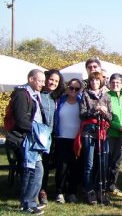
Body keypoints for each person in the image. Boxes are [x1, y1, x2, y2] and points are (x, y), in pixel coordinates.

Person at [12, 69, 51, 214]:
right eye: (39, 80)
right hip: (27, 139)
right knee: (31, 171)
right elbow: (21, 120)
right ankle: (27, 203)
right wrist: (39, 130)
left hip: (34, 140)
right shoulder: (22, 95)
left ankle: (29, 201)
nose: (42, 83)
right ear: (31, 79)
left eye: (43, 81)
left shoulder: (35, 95)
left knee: (37, 170)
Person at [79, 71, 112, 205]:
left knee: (102, 163)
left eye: (97, 81)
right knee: (89, 163)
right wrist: (94, 110)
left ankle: (101, 190)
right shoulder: (85, 95)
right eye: (92, 81)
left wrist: (104, 112)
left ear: (101, 82)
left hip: (102, 132)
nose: (95, 83)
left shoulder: (106, 96)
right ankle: (89, 191)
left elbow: (111, 116)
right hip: (89, 132)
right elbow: (82, 114)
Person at [54, 78, 83, 204]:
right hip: (62, 138)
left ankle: (72, 192)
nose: (74, 91)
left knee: (75, 167)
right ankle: (60, 191)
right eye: (71, 88)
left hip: (77, 139)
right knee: (62, 166)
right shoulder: (60, 101)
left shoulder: (81, 102)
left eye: (77, 89)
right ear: (67, 87)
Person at [39, 69, 65, 205]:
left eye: (56, 81)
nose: (53, 83)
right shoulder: (39, 95)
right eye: (51, 79)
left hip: (56, 135)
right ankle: (41, 190)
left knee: (53, 163)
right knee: (42, 164)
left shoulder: (57, 97)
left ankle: (57, 190)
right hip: (42, 135)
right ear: (45, 79)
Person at [106, 73, 122, 197]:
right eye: (113, 82)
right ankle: (104, 186)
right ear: (109, 84)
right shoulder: (106, 96)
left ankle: (112, 185)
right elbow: (107, 116)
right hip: (110, 133)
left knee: (117, 161)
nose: (115, 85)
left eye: (118, 83)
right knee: (108, 160)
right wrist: (118, 127)